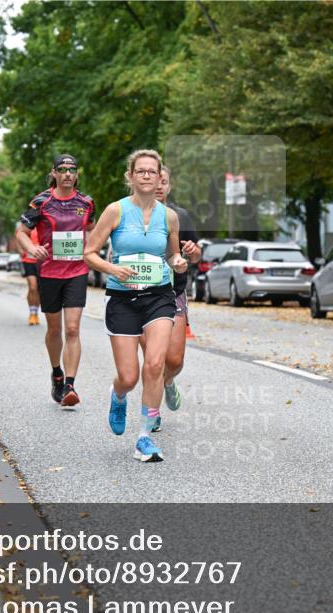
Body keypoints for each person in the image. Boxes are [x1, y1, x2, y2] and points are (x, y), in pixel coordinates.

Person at [83, 149, 187, 462]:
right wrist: (113, 270)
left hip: (159, 296)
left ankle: (144, 436)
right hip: (122, 299)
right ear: (131, 176)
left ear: (159, 178)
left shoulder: (169, 216)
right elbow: (90, 252)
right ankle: (118, 396)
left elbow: (171, 254)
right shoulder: (115, 211)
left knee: (155, 365)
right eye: (139, 171)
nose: (145, 176)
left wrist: (178, 261)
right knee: (129, 376)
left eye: (151, 171)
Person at [15, 154, 97, 406]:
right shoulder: (41, 201)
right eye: (62, 170)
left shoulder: (87, 202)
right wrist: (31, 248)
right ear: (54, 173)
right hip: (49, 273)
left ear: (77, 174)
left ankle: (70, 386)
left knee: (72, 328)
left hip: (77, 272)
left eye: (72, 170)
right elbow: (21, 232)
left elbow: (92, 229)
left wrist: (91, 249)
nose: (68, 174)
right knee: (54, 329)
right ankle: (57, 373)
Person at [142, 166, 202, 432]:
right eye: (155, 179)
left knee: (174, 360)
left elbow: (197, 255)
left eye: (163, 181)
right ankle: (152, 414)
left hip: (173, 291)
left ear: (169, 186)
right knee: (153, 360)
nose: (158, 185)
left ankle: (168, 382)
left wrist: (192, 251)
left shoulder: (181, 216)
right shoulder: (132, 215)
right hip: (141, 293)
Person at [21, 227, 42, 325]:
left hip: (41, 261)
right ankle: (32, 313)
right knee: (33, 287)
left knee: (38, 289)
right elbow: (18, 235)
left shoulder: (46, 223)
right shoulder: (29, 224)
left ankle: (35, 313)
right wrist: (20, 250)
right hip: (29, 260)